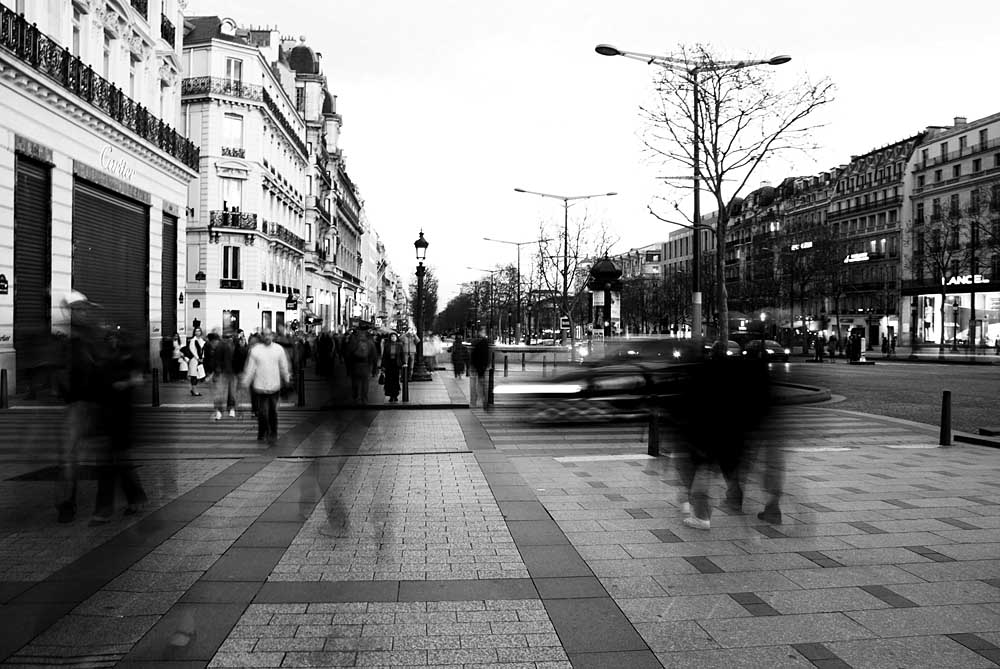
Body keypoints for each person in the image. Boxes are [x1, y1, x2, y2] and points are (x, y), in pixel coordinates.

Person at [54, 291, 106, 523]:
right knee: (74, 456)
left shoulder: (85, 339)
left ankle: (72, 502)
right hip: (81, 404)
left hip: (87, 403)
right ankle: (68, 502)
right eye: (81, 309)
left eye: (85, 309)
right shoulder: (76, 341)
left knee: (81, 455)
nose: (85, 312)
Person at [91, 327, 147, 524]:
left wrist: (124, 384)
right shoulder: (107, 362)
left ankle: (107, 508)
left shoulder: (129, 361)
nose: (112, 343)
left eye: (115, 339)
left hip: (121, 416)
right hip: (108, 415)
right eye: (110, 339)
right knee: (114, 462)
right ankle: (131, 500)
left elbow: (137, 380)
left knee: (114, 462)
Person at [241, 328, 290, 446]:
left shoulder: (278, 349)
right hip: (260, 386)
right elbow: (250, 368)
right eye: (265, 335)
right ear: (262, 337)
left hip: (274, 386)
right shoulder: (256, 350)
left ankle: (273, 432)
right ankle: (262, 432)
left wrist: (287, 378)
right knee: (262, 412)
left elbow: (284, 366)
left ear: (272, 336)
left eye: (269, 335)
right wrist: (245, 382)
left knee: (273, 411)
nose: (267, 337)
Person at [344, 329, 378, 404]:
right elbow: (374, 356)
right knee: (365, 382)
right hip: (366, 365)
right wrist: (374, 369)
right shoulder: (370, 343)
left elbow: (347, 355)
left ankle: (356, 397)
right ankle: (364, 398)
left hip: (355, 365)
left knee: (355, 382)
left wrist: (348, 368)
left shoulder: (353, 342)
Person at [211, 329, 238, 420]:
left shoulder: (221, 346)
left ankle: (220, 411)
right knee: (230, 393)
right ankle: (230, 409)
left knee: (221, 393)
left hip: (225, 372)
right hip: (229, 372)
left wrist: (216, 372)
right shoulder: (232, 345)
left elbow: (216, 361)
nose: (229, 339)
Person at [469, 328, 491, 409]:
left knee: (476, 385)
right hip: (480, 367)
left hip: (476, 367)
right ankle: (482, 401)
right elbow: (485, 357)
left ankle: (475, 402)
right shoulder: (484, 343)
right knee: (482, 385)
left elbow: (475, 356)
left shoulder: (476, 342)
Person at [380, 332, 405, 403]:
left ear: (396, 338)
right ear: (390, 338)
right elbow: (384, 356)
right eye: (392, 337)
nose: (393, 338)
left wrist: (404, 363)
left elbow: (402, 355)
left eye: (394, 337)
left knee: (396, 379)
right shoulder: (387, 345)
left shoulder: (399, 345)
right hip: (389, 364)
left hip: (396, 364)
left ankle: (395, 395)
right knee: (389, 380)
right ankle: (391, 395)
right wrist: (383, 366)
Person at [185, 327, 206, 395]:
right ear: (194, 332)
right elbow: (192, 350)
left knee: (199, 375)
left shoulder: (202, 340)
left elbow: (203, 350)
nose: (197, 332)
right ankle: (194, 391)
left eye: (199, 331)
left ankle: (193, 389)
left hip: (200, 360)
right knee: (194, 376)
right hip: (194, 360)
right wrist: (198, 358)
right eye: (196, 331)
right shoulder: (193, 340)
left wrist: (202, 357)